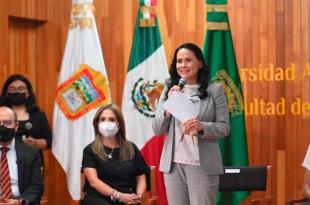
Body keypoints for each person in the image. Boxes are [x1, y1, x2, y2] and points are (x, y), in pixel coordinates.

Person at [152, 42, 230, 205]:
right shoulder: (169, 88)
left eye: (188, 60)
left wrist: (202, 126)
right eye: (179, 61)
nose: (183, 65)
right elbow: (158, 129)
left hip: (202, 165)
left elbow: (224, 128)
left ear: (200, 63)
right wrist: (168, 107)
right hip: (173, 166)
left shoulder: (214, 90)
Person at [80, 104, 149, 205]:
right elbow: (93, 182)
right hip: (98, 198)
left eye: (111, 119)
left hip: (128, 198)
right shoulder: (90, 150)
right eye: (102, 119)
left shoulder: (131, 148)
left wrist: (137, 198)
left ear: (119, 123)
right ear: (97, 123)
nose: (106, 123)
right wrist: (119, 196)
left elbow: (141, 177)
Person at [0, 74, 52, 163]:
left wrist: (35, 143)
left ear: (28, 93)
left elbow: (48, 141)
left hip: (32, 162)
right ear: (6, 93)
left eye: (21, 89)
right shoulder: (1, 113)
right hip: (4, 161)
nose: (17, 92)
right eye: (12, 89)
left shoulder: (38, 115)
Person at [0, 106, 44, 205]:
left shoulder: (31, 153)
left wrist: (18, 202)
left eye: (7, 123)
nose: (2, 127)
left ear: (16, 126)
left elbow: (36, 186)